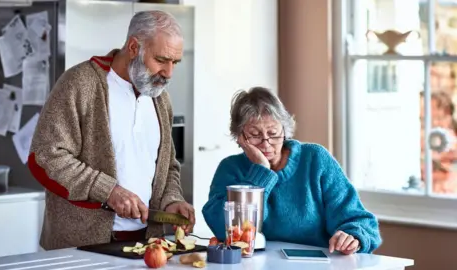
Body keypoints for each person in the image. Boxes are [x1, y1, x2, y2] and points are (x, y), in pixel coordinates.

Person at [28, 10, 195, 250]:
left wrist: (172, 200)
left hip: (148, 245)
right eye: (161, 60)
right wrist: (108, 191)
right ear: (134, 47)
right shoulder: (79, 83)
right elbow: (44, 156)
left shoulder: (160, 98)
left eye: (175, 62)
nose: (169, 73)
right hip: (81, 245)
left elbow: (167, 166)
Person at [202, 87, 382, 254]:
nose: (266, 143)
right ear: (240, 137)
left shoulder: (315, 159)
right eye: (255, 135)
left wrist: (353, 236)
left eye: (273, 133)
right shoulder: (230, 169)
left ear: (285, 130)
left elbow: (361, 221)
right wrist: (261, 171)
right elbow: (227, 231)